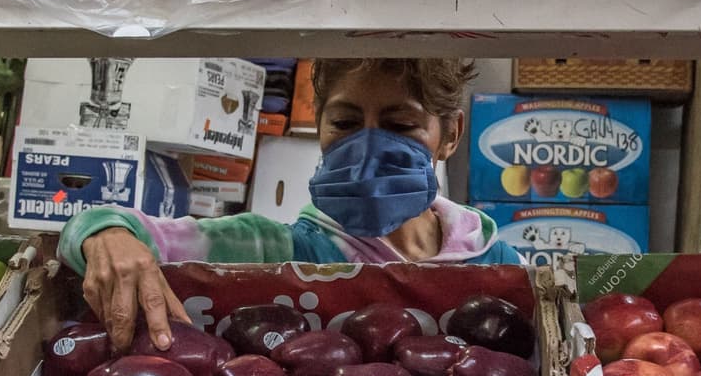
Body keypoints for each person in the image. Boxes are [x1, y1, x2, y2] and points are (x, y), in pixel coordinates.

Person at [58, 58, 522, 352]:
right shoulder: (272, 247)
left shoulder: (496, 264)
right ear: (319, 127)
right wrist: (106, 235)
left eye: (401, 125)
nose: (368, 149)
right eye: (344, 122)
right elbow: (100, 226)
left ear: (451, 135)